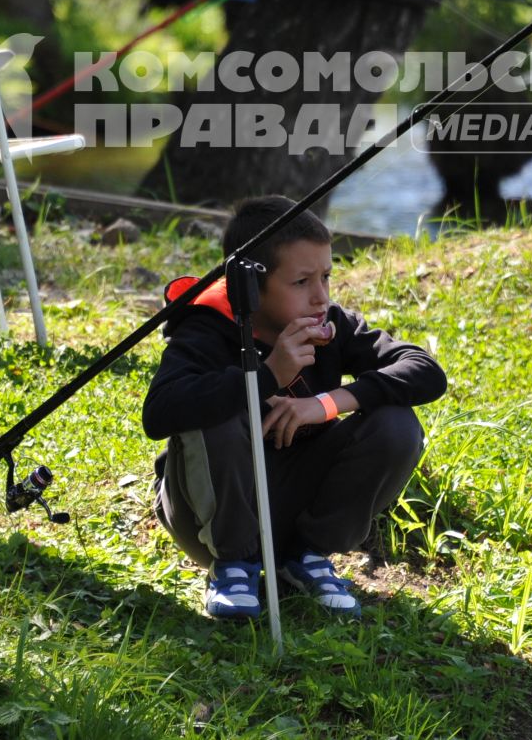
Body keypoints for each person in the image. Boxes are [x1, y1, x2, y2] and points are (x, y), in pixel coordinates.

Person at [143, 197, 446, 618]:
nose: (320, 296)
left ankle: (307, 556)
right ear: (246, 285)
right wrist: (266, 375)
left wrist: (324, 404)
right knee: (211, 409)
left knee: (396, 423)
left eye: (326, 276)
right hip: (208, 515)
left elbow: (425, 370)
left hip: (291, 502)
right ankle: (233, 566)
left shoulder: (330, 324)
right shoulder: (206, 330)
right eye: (302, 282)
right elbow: (160, 412)